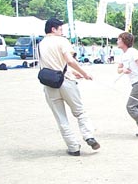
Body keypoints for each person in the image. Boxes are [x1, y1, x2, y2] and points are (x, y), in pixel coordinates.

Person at [39, 18, 100, 156]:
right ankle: (88, 135)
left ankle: (73, 147)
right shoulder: (62, 41)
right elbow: (69, 60)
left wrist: (74, 72)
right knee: (80, 112)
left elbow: (50, 66)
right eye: (60, 29)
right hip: (66, 81)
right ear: (53, 29)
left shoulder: (41, 44)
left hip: (50, 84)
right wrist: (84, 73)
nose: (62, 32)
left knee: (61, 117)